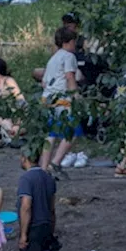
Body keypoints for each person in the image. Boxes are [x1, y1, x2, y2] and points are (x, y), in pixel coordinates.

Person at [40, 26, 82, 178]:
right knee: (73, 131)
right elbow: (70, 76)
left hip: (48, 98)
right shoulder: (69, 56)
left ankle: (43, 167)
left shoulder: (53, 58)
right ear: (68, 42)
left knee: (51, 133)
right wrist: (75, 95)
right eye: (74, 42)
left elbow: (44, 82)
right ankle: (56, 162)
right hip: (62, 99)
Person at [16, 147, 58, 251]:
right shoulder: (48, 178)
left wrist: (23, 234)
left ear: (24, 158)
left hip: (33, 226)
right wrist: (51, 230)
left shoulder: (26, 179)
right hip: (46, 225)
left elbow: (26, 206)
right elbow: (52, 208)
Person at [0, 58, 24, 137]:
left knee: (11, 128)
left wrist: (17, 122)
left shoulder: (8, 81)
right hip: (4, 117)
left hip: (16, 115)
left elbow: (21, 100)